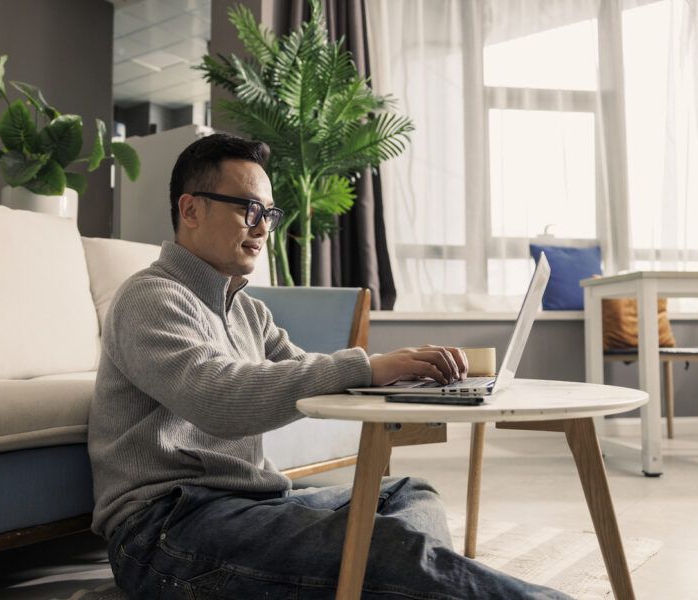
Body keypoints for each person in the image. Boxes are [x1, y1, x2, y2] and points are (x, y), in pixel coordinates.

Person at [87, 133, 571, 599]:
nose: (262, 227)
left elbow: (310, 374)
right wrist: (367, 366)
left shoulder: (248, 310)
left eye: (268, 213)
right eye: (248, 209)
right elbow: (218, 398)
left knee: (406, 493)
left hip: (252, 505)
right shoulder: (151, 297)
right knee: (381, 545)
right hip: (167, 528)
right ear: (191, 209)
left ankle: (372, 578)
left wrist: (405, 375)